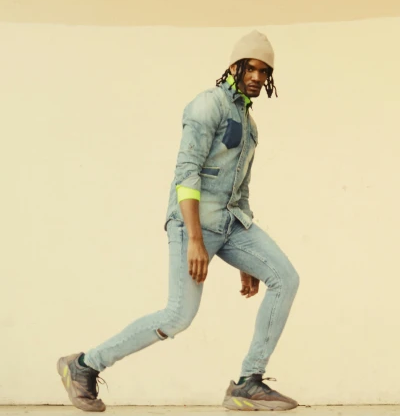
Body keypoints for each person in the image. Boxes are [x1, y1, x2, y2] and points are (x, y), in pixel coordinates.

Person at [57, 30, 300, 412]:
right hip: (193, 223)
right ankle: (84, 366)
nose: (257, 76)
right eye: (251, 67)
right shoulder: (208, 105)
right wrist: (194, 239)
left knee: (285, 278)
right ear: (234, 67)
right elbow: (186, 173)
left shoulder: (250, 126)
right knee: (178, 315)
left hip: (232, 223)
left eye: (264, 71)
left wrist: (247, 261)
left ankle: (249, 383)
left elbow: (242, 189)